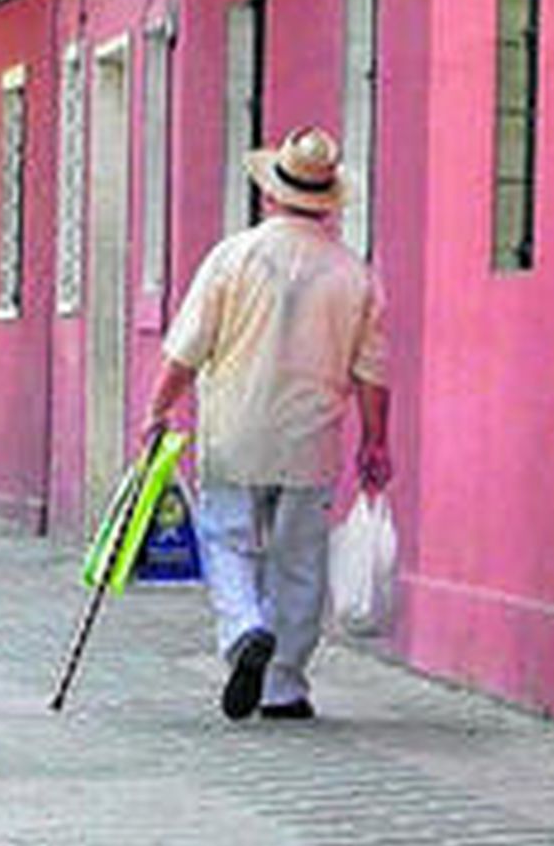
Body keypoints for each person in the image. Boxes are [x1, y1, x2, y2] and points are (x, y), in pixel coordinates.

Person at [140, 126, 391, 722]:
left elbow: (188, 347)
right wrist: (378, 440)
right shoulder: (354, 274)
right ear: (329, 201)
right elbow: (373, 372)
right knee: (299, 559)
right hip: (311, 438)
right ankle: (284, 686)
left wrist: (157, 409)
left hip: (236, 430)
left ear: (273, 193)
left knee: (228, 541)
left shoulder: (233, 256)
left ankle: (245, 630)